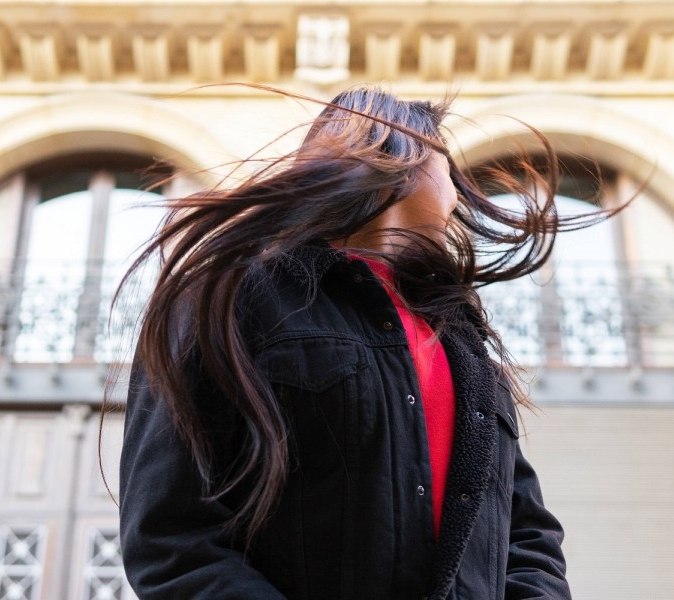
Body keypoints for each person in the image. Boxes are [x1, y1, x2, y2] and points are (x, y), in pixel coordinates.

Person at [118, 85, 586, 599]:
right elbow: (171, 540)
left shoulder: (462, 343)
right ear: (405, 158)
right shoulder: (227, 299)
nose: (458, 190)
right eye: (446, 163)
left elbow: (527, 534)